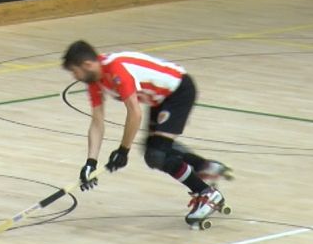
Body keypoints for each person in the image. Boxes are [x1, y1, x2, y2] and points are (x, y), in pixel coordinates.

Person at [61, 40, 231, 230]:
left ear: (87, 65)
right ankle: (204, 167)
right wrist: (90, 163)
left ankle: (206, 193)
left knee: (157, 154)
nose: (74, 76)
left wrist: (123, 151)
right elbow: (97, 122)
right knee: (155, 155)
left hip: (178, 92)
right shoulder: (95, 81)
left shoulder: (117, 70)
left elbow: (135, 113)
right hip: (159, 99)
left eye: (75, 71)